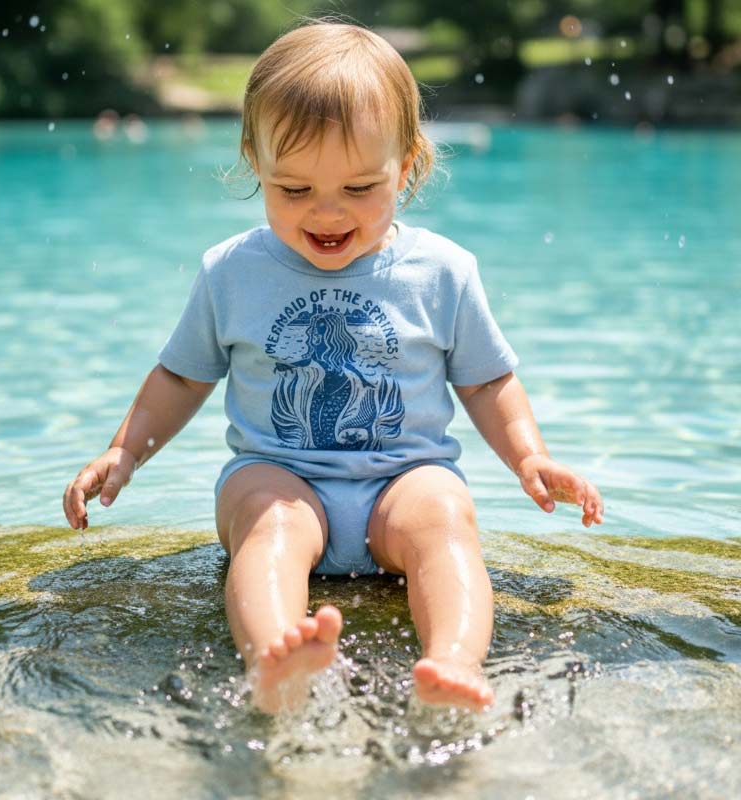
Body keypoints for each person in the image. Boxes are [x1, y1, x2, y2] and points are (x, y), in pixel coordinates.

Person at [63, 20, 604, 715]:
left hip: (400, 479)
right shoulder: (232, 271)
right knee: (268, 524)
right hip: (278, 476)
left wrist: (530, 457)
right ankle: (275, 660)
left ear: (406, 166)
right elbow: (181, 375)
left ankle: (452, 665)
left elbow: (487, 379)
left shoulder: (443, 271)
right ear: (253, 160)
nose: (326, 212)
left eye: (358, 187)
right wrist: (124, 450)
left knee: (444, 514)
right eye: (293, 190)